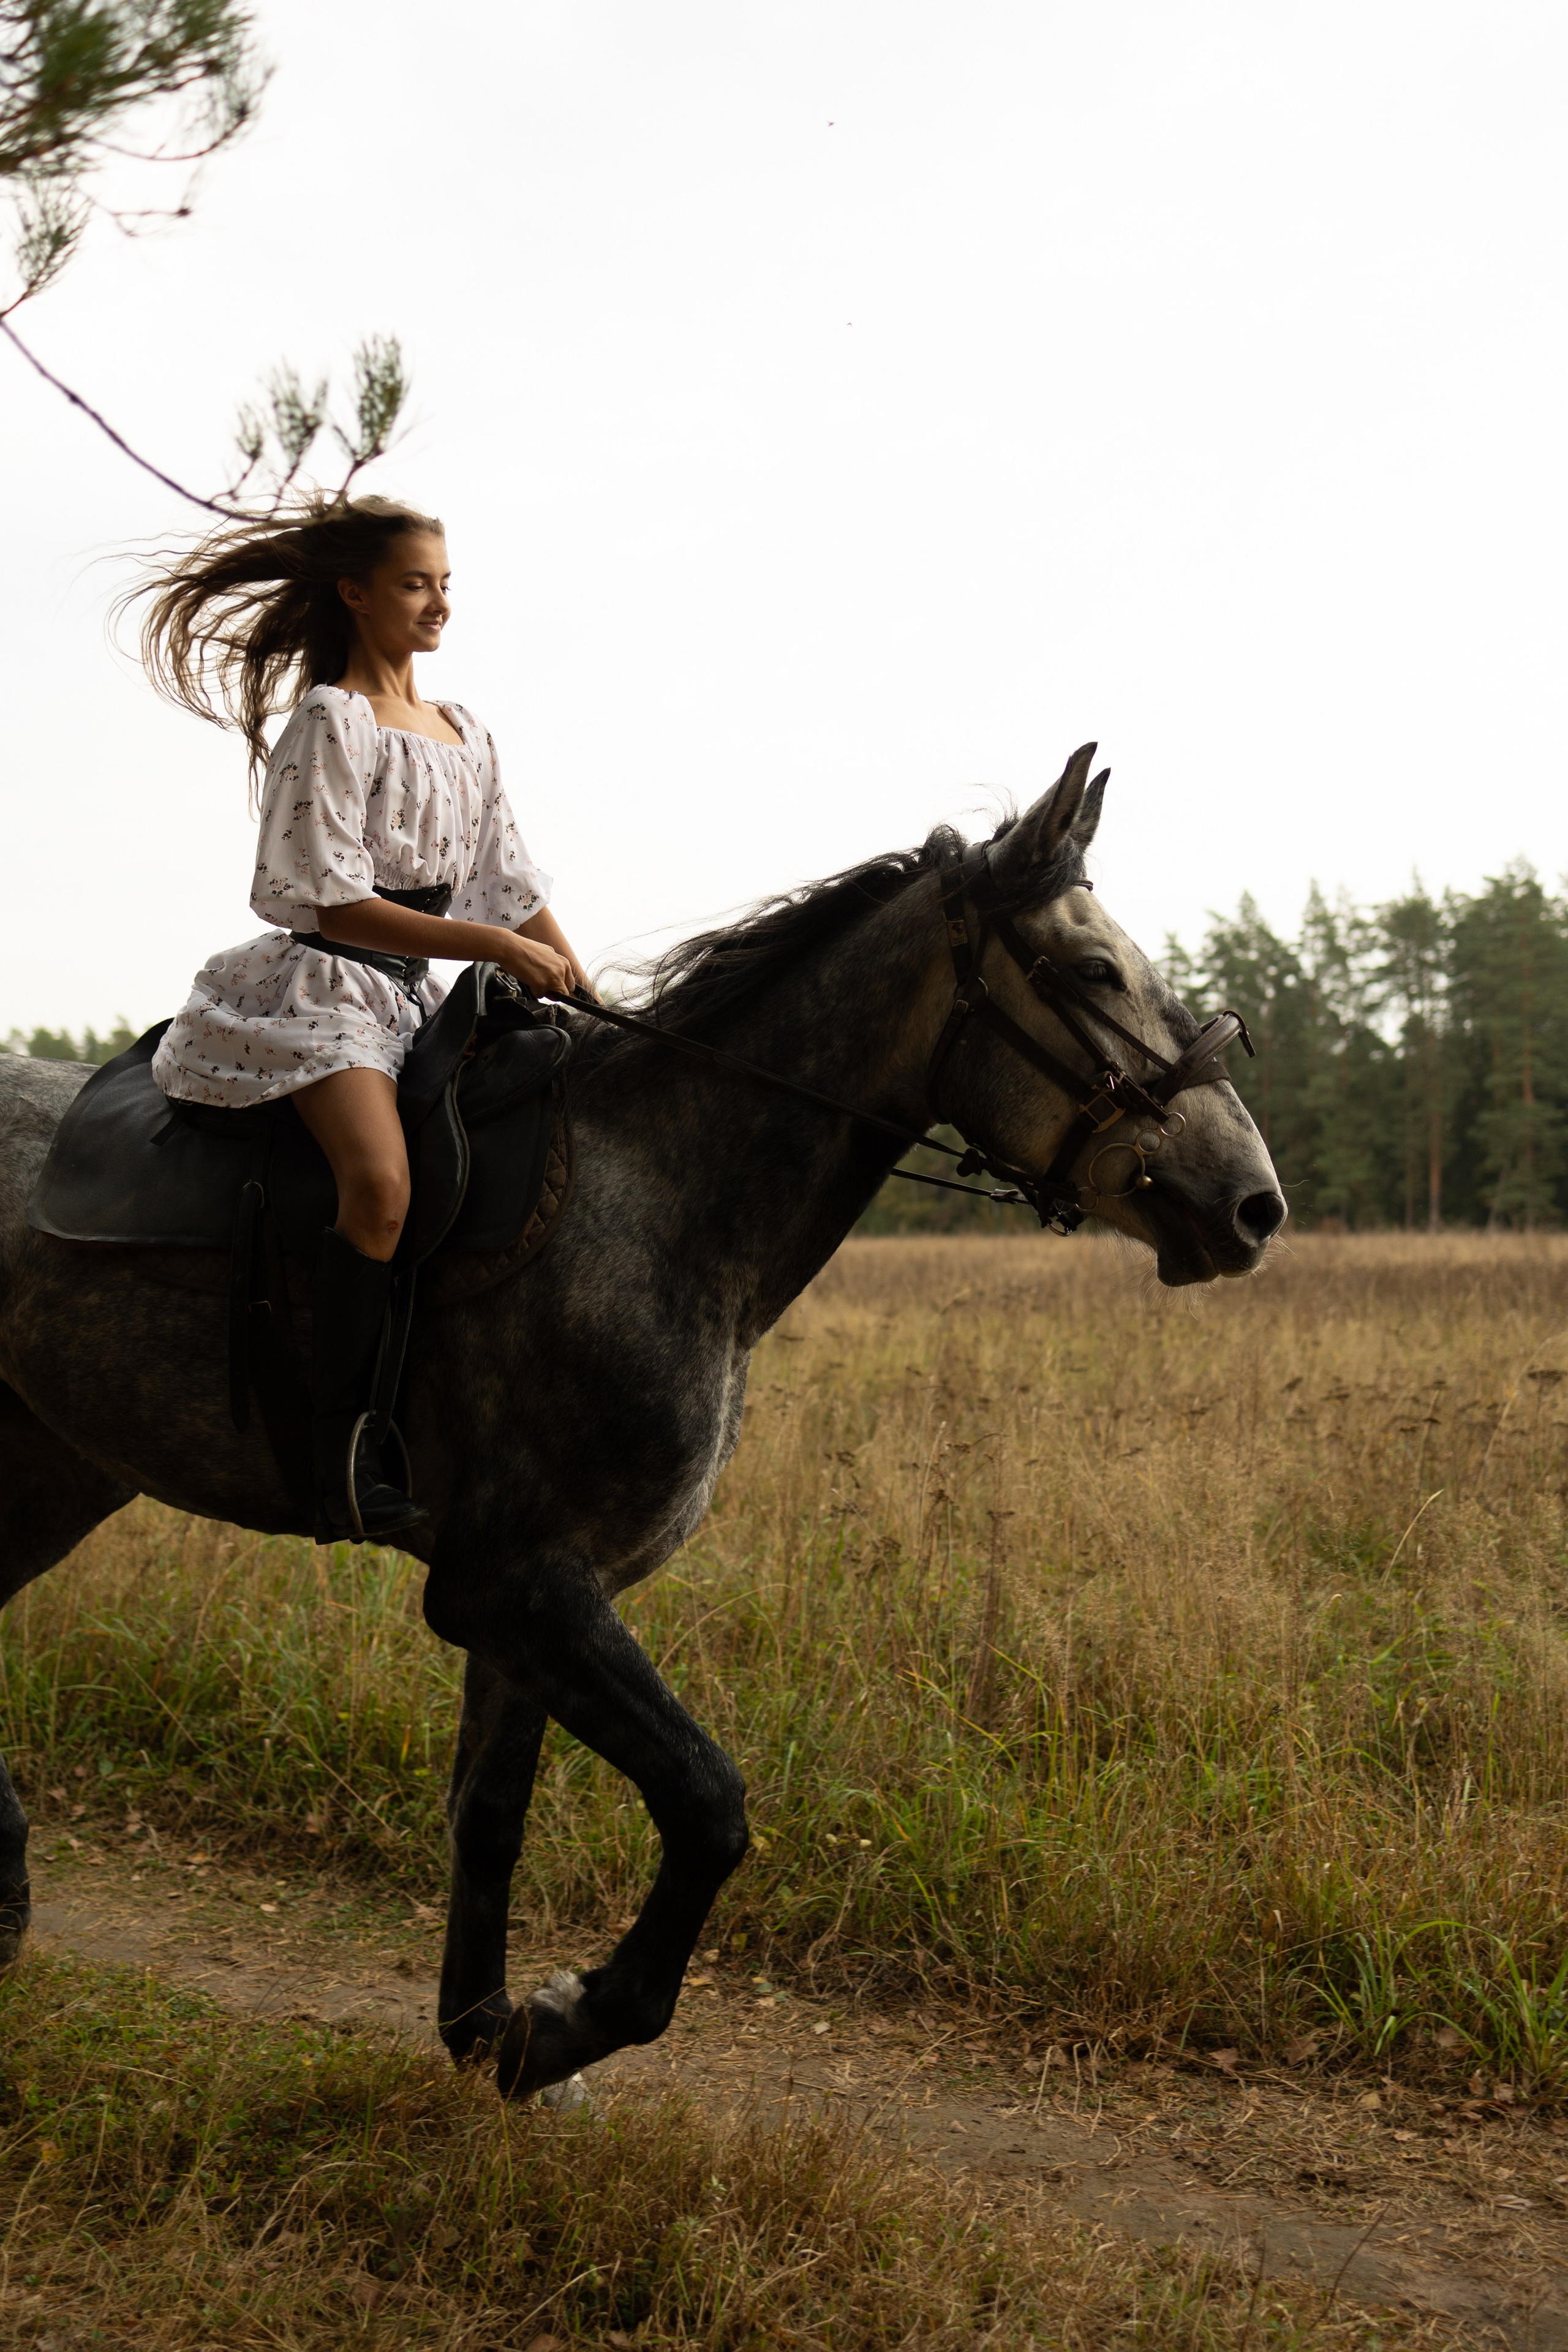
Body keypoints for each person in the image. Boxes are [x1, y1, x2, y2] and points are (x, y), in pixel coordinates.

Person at [135, 496, 590, 1542]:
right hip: (327, 987)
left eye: (445, 585)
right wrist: (499, 950)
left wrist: (580, 978)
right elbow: (334, 898)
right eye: (414, 584)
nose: (438, 604)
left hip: (417, 993)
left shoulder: (465, 731)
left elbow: (506, 881)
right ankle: (339, 1456)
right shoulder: (331, 721)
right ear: (355, 593)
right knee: (381, 1187)